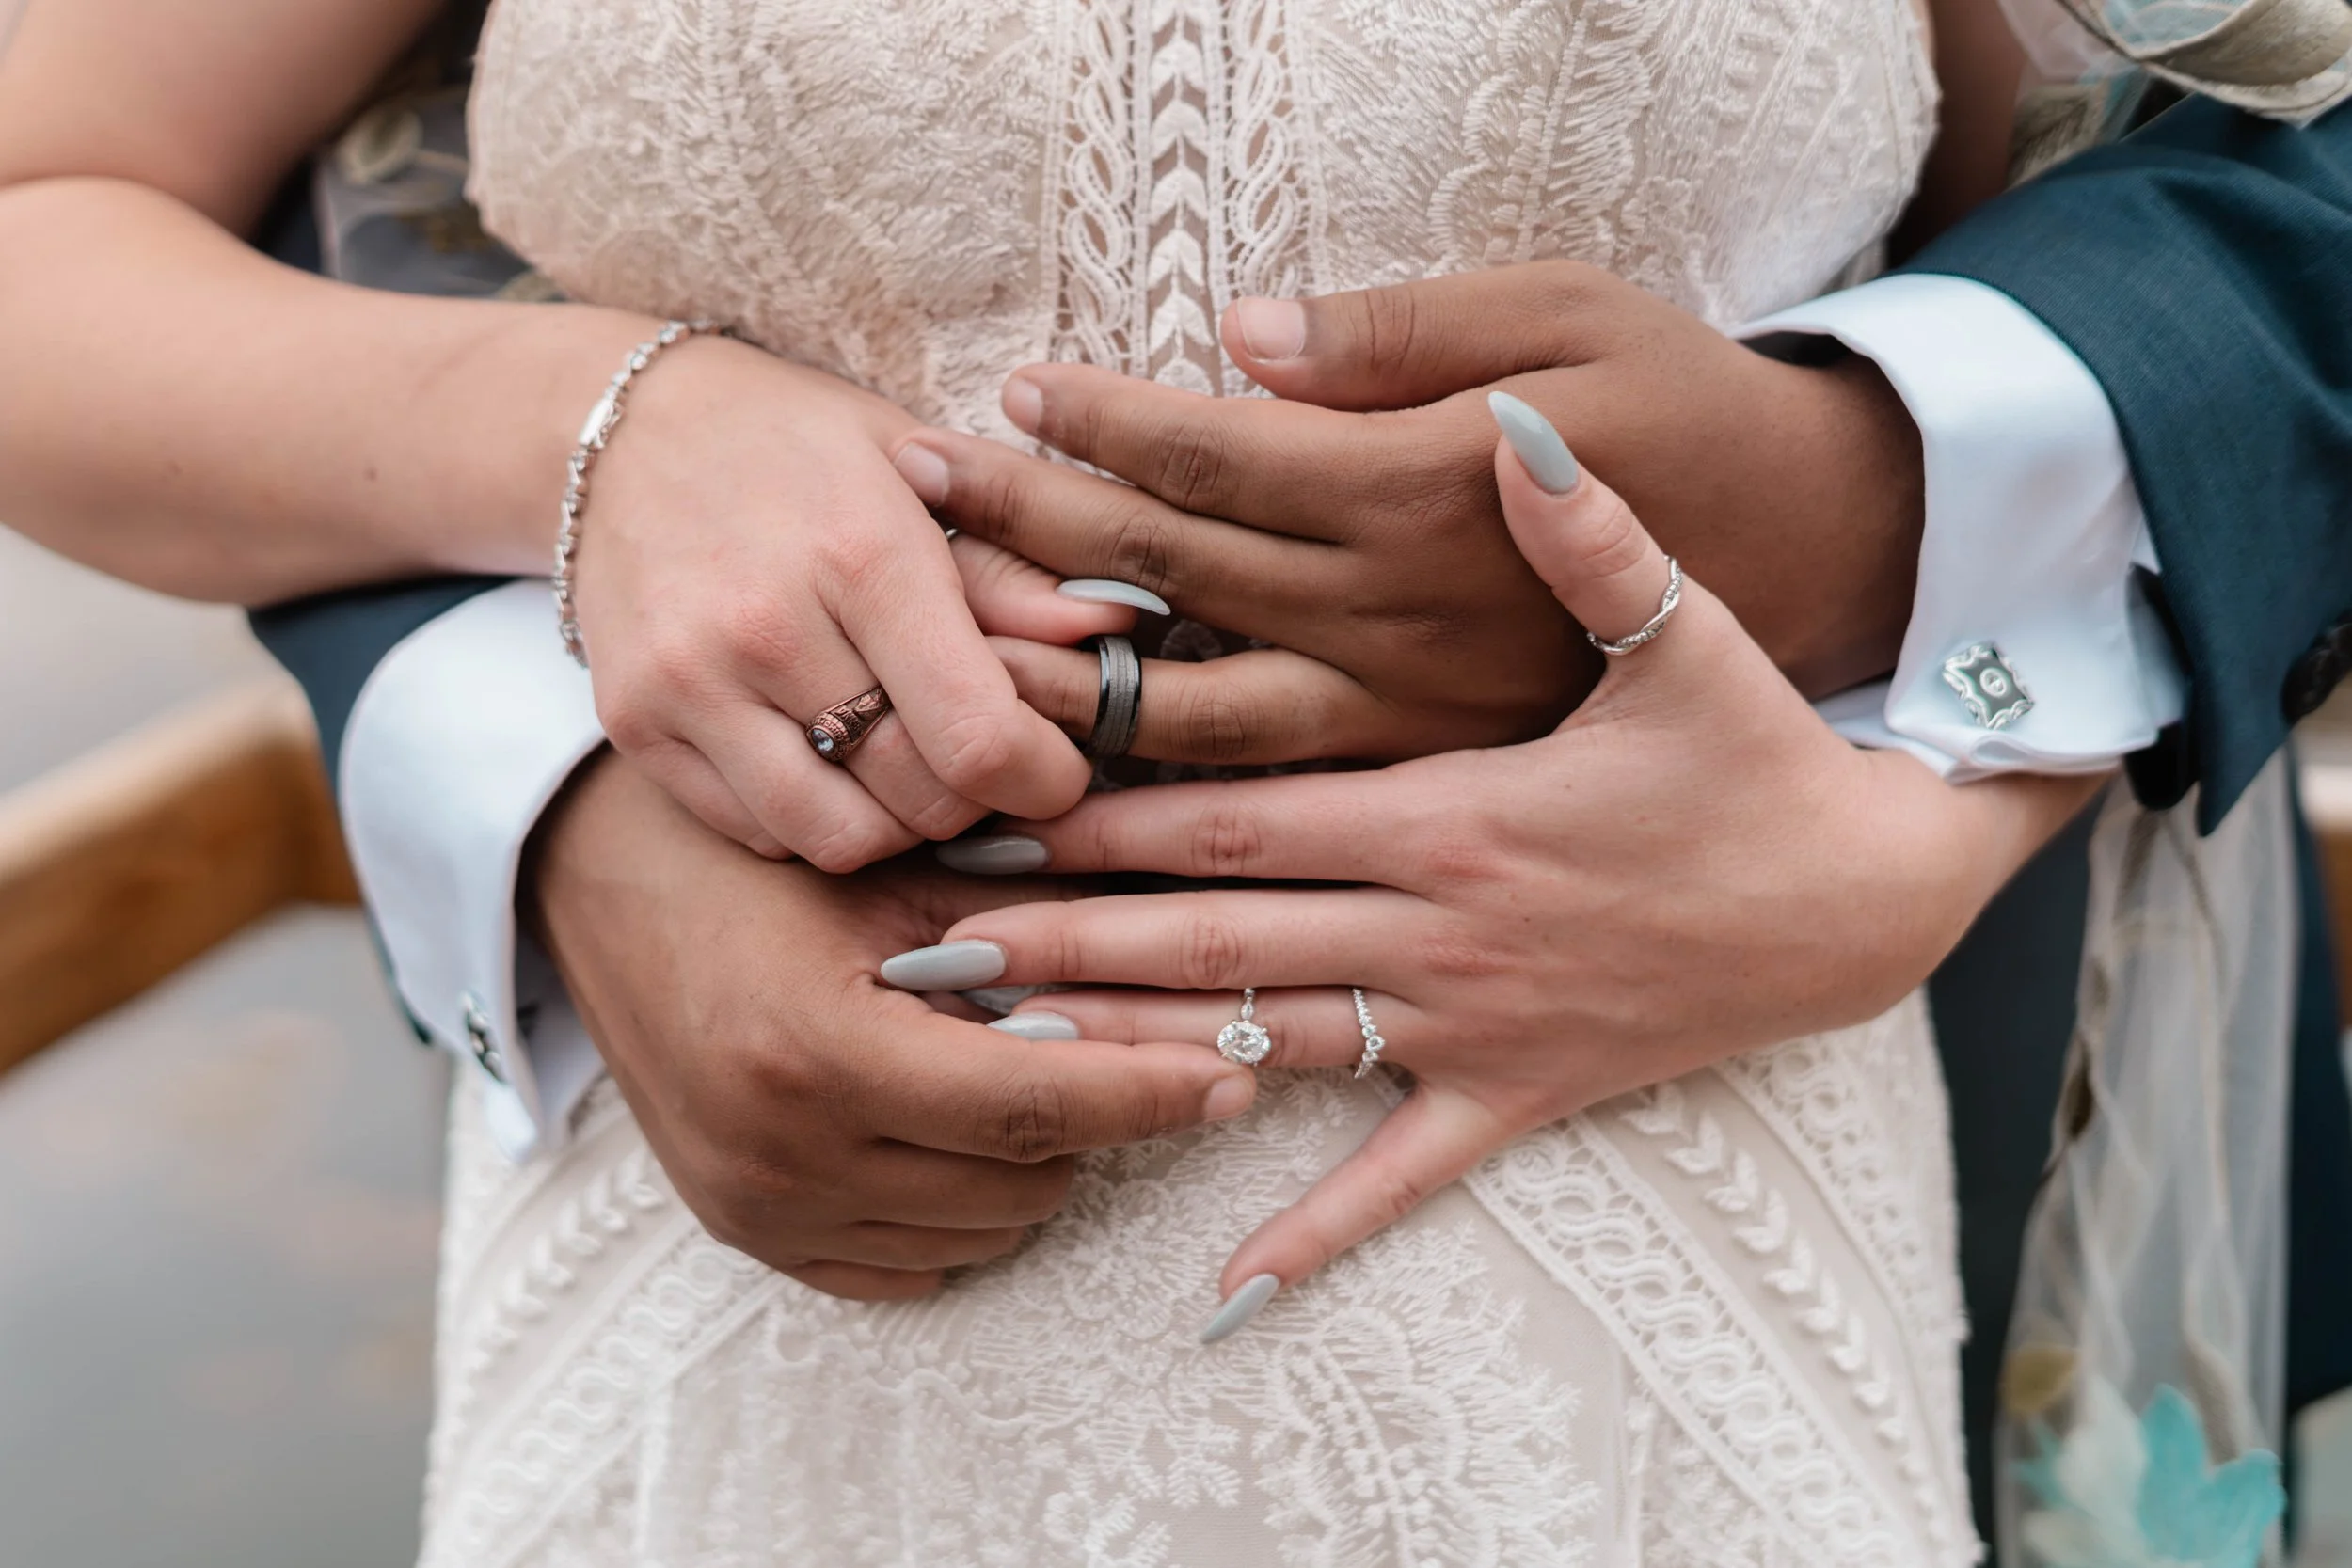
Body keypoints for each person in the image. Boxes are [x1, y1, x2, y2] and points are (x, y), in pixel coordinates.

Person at [1, 2, 2345, 1564]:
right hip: (760, 1270)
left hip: (1691, 1230)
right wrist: (593, 462)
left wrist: (1919, 773)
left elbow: (2235, 171)